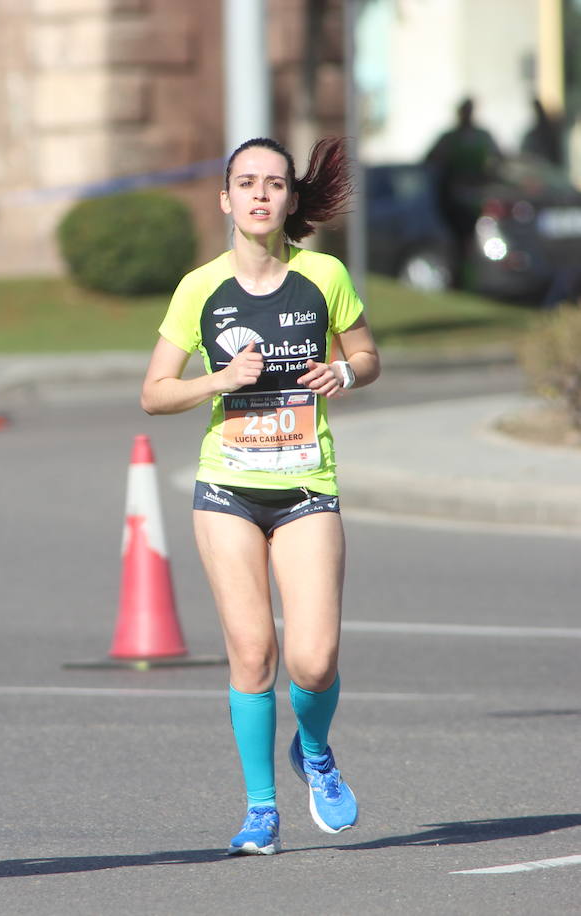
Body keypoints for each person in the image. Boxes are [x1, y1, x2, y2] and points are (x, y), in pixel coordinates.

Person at [140, 137, 381, 856]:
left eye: (274, 184)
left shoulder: (325, 275)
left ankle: (314, 751)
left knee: (314, 660)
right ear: (226, 198)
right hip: (227, 490)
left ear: (291, 200)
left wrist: (347, 373)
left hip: (307, 484)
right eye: (246, 184)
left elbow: (367, 354)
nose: (259, 196)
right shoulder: (200, 288)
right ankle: (261, 808)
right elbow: (154, 393)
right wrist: (217, 380)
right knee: (252, 654)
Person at [424, 98, 502, 280]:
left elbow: (499, 159)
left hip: (477, 198)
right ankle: (460, 277)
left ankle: (471, 278)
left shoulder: (481, 136)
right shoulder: (450, 138)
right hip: (455, 200)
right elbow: (431, 159)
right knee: (459, 243)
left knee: (473, 242)